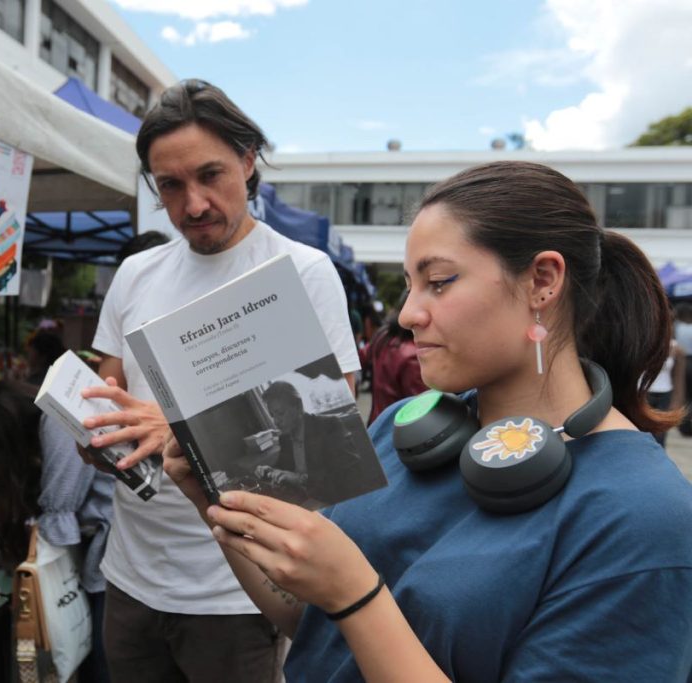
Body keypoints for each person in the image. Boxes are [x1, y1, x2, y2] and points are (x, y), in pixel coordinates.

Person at [163, 161, 692, 681]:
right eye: (411, 285)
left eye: (439, 281)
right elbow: (312, 622)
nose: (408, 314)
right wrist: (213, 500)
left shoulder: (643, 514)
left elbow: (346, 602)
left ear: (543, 281)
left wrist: (356, 595)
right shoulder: (401, 428)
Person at [78, 79, 359, 681]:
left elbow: (330, 434)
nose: (195, 204)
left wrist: (180, 425)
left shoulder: (303, 272)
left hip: (236, 587)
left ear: (248, 161)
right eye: (171, 186)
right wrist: (97, 435)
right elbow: (110, 391)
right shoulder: (135, 274)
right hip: (130, 576)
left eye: (211, 175)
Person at [0, 379, 113, 683]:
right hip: (116, 568)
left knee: (100, 667)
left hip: (114, 574)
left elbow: (58, 525)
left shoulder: (59, 424)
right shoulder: (55, 416)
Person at [253, 381, 365, 506]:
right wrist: (271, 472)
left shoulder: (329, 426)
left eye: (280, 413)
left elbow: (350, 479)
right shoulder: (284, 437)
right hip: (303, 500)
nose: (276, 422)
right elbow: (284, 467)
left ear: (298, 406)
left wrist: (300, 479)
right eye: (272, 415)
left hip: (332, 502)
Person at [363, 296, 428, 425]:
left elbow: (361, 357)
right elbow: (422, 410)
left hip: (377, 425)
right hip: (399, 430)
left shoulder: (383, 336)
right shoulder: (412, 357)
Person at [646, 337, 686, 446]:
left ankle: (659, 452)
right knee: (645, 429)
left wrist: (677, 400)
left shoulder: (674, 347)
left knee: (661, 431)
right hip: (646, 393)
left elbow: (679, 378)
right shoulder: (644, 343)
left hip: (665, 393)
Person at [675, 303, 692, 436]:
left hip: (680, 362)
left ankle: (683, 425)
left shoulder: (676, 327)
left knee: (683, 395)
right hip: (690, 361)